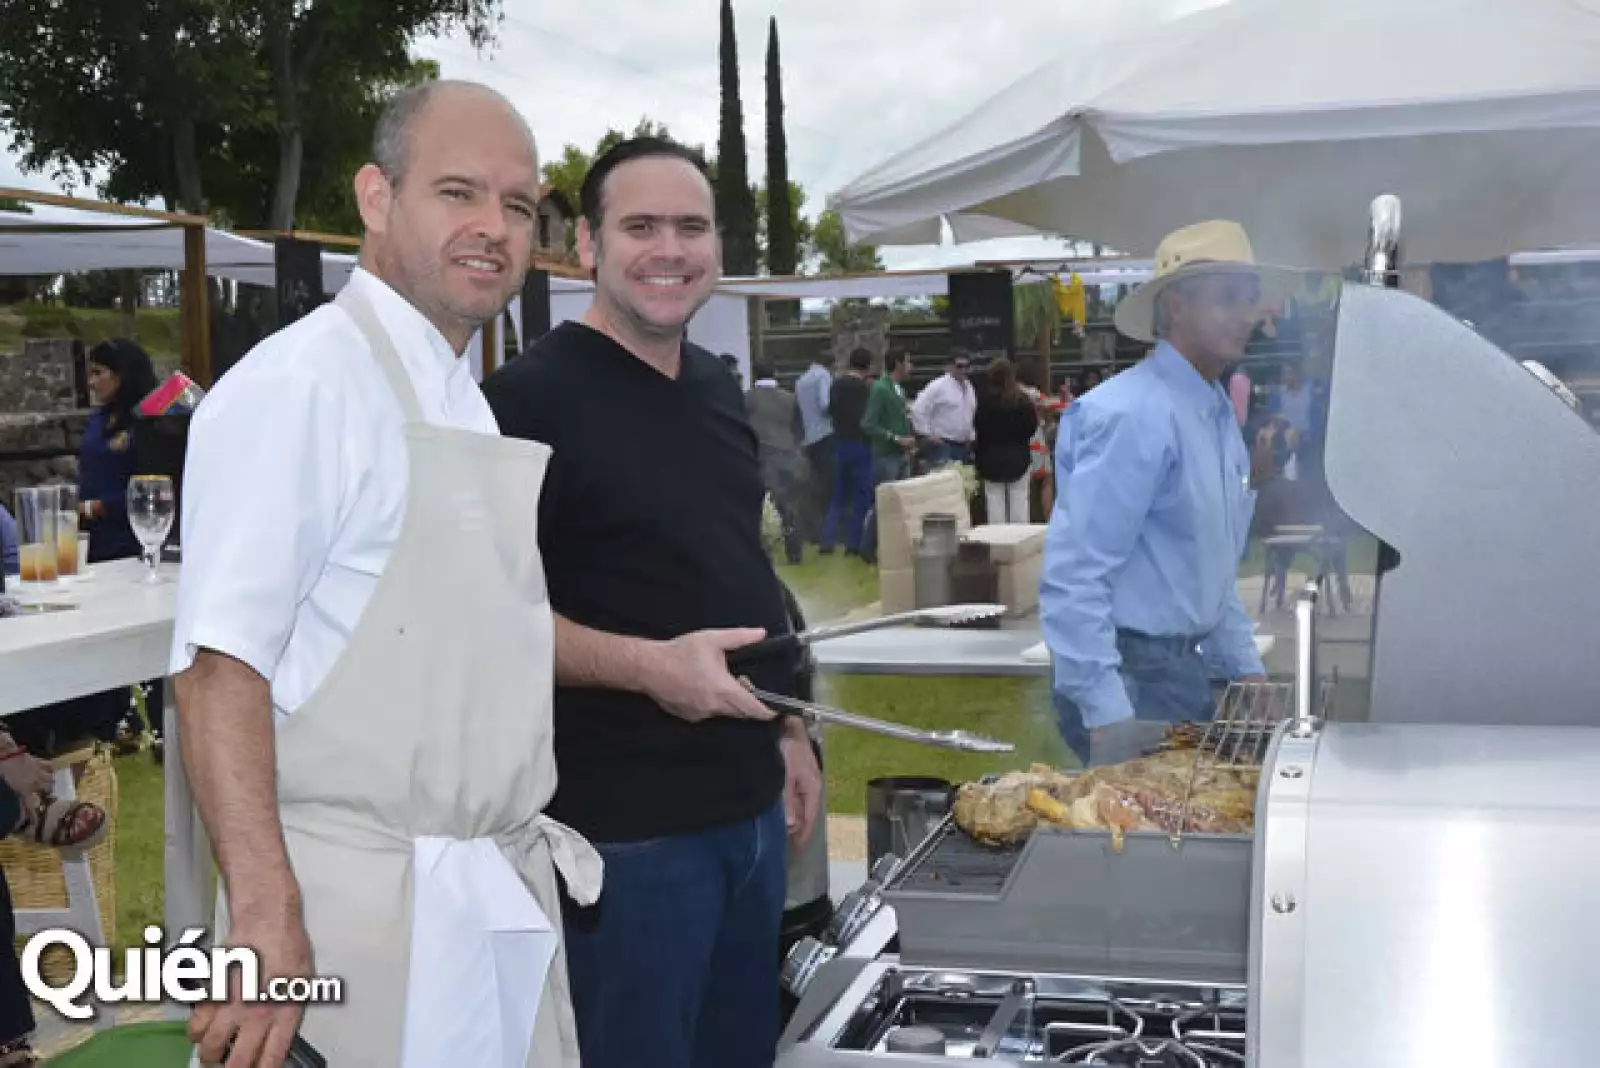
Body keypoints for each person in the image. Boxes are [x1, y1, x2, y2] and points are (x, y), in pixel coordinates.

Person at [168, 79, 601, 1068]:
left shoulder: (467, 402)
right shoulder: (298, 388)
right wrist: (268, 918)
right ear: (375, 198)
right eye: (458, 193)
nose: (493, 226)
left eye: (519, 204)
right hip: (348, 915)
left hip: (483, 892)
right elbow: (215, 671)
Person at [480, 136, 821, 1068]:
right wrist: (646, 667)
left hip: (748, 813)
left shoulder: (716, 387)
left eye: (691, 227)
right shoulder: (520, 404)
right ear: (585, 247)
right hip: (623, 837)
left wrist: (791, 732)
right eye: (640, 226)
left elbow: (731, 567)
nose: (669, 249)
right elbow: (476, 618)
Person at [1042, 220, 1294, 767]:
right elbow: (1075, 574)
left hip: (1176, 671)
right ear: (1176, 306)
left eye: (1250, 298)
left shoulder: (1215, 410)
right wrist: (1107, 711)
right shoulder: (1133, 414)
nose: (1247, 314)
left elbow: (1209, 567)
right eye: (1228, 298)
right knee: (1144, 843)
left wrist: (1245, 669)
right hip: (1130, 675)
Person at [78, 338, 159, 563]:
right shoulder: (98, 420)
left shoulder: (151, 423)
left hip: (132, 544)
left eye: (98, 373)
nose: (91, 382)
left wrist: (96, 507)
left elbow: (156, 485)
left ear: (122, 374)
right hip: (92, 542)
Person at [745, 359, 806, 565]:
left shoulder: (747, 399)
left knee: (755, 508)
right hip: (786, 456)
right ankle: (795, 552)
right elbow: (800, 431)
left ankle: (759, 552)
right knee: (788, 505)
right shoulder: (790, 398)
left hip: (758, 457)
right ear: (776, 373)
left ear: (755, 375)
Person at [820, 348, 876, 557]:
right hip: (859, 444)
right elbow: (866, 420)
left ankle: (827, 540)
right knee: (861, 495)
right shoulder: (863, 389)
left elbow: (830, 410)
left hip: (839, 442)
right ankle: (853, 543)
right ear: (867, 366)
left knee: (838, 495)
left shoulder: (836, 384)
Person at [972, 357, 1040, 523]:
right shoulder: (1023, 401)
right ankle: (1020, 542)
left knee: (994, 504)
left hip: (990, 457)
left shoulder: (984, 401)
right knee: (1020, 503)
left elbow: (978, 426)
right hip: (1018, 456)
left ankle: (998, 543)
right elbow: (1032, 427)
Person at [794, 353, 835, 543]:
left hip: (808, 439)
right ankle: (828, 534)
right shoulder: (823, 376)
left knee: (814, 487)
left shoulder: (801, 380)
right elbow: (826, 404)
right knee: (828, 487)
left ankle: (812, 531)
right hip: (825, 435)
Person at [911, 350, 977, 465]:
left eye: (967, 366)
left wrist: (971, 436)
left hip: (964, 446)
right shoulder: (937, 386)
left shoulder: (969, 387)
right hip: (944, 445)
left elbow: (970, 413)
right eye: (959, 366)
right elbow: (918, 409)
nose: (964, 370)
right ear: (950, 367)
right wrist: (927, 434)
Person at [862, 348, 916, 486]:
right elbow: (868, 424)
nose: (911, 366)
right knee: (887, 501)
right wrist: (896, 438)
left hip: (902, 454)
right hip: (886, 456)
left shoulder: (899, 389)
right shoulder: (880, 389)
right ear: (898, 364)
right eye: (908, 362)